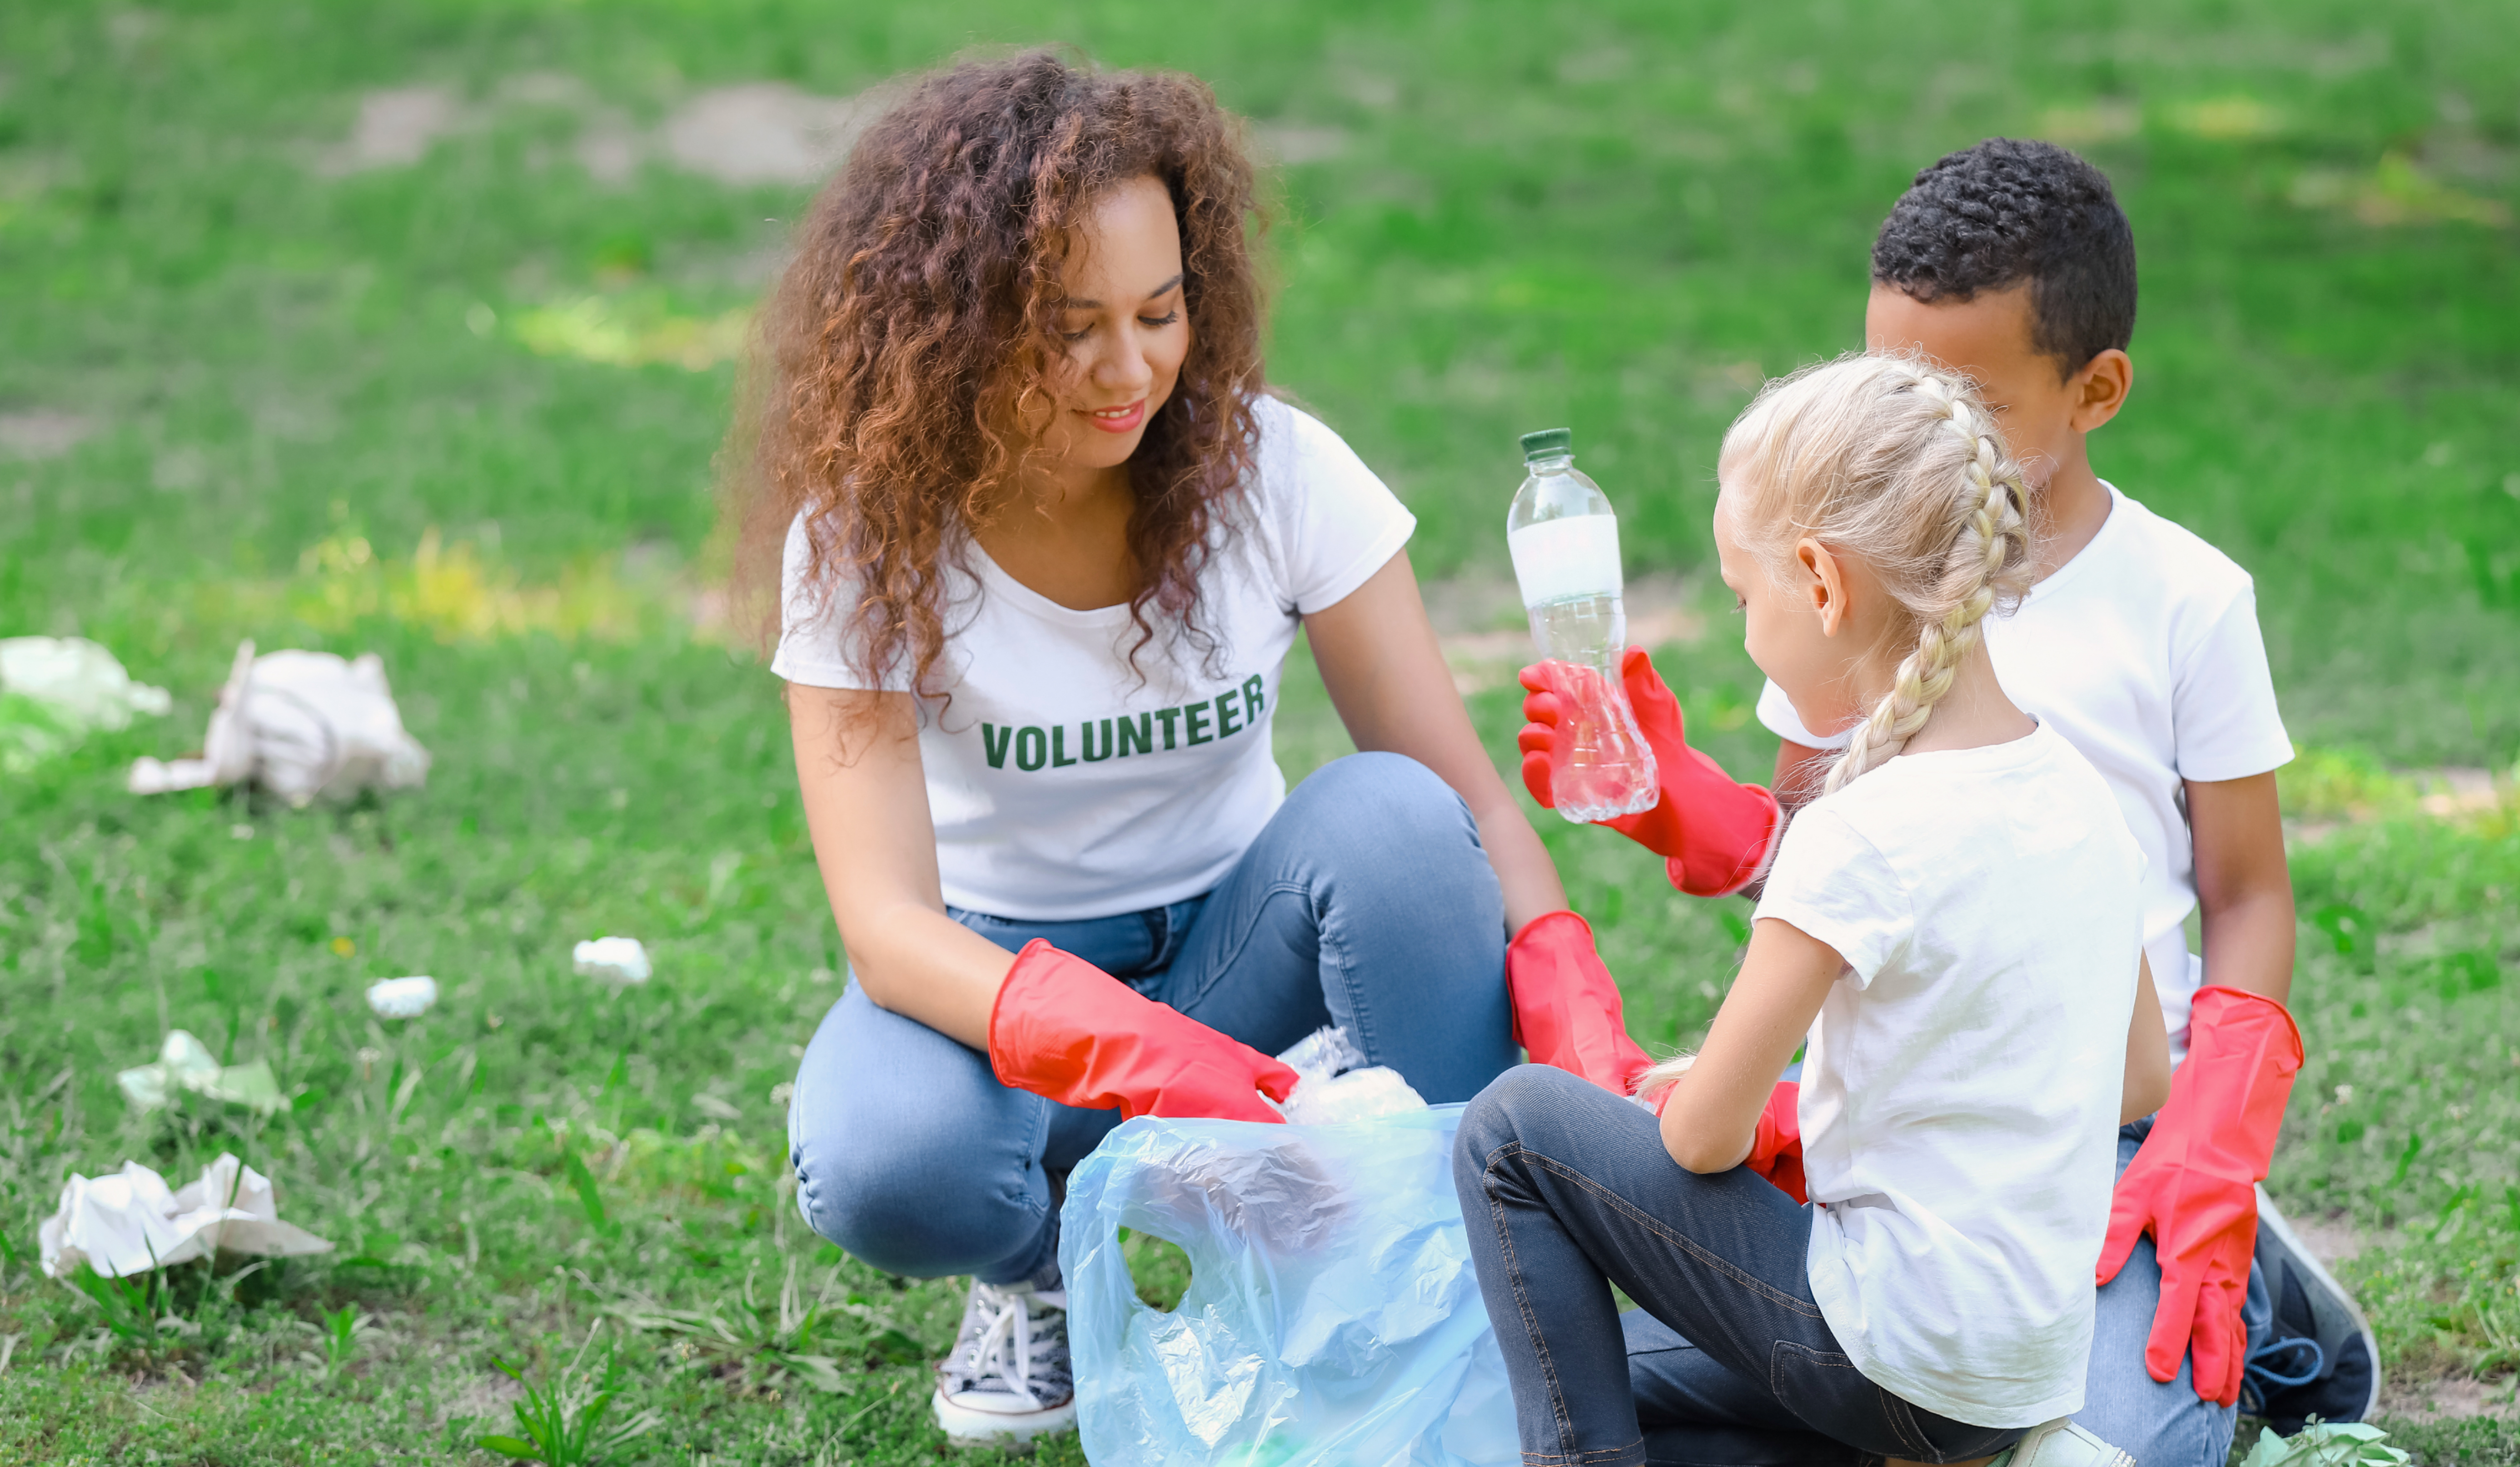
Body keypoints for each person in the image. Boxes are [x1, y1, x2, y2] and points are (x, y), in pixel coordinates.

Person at [732, 53, 1637, 1448]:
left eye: (1160, 313)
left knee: (1394, 821)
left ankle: (1447, 1239)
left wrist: (1564, 974)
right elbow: (888, 929)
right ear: (954, 325)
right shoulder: (862, 539)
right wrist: (1147, 1063)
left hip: (1243, 951)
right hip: (1000, 993)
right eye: (1068, 327)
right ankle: (1036, 1270)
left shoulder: (1271, 469)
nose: (1130, 368)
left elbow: (1454, 792)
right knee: (886, 1161)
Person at [1516, 140, 2375, 1465]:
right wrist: (1693, 812)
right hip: (1912, 1086)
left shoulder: (2183, 598)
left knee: (2122, 1438)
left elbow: (2247, 895)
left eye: (1961, 395)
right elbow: (1836, 875)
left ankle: (2256, 1278)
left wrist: (2207, 1142)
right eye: (1882, 380)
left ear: (2093, 390)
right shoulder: (1846, 590)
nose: (1910, 425)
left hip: (2109, 1106)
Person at [1459, 354, 2168, 1467]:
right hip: (2014, 1375)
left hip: (1886, 1348)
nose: (1744, 629)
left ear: (1823, 584)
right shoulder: (2082, 797)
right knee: (1626, 1385)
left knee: (1513, 1129)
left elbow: (1702, 1142)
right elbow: (2139, 1081)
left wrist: (1714, 1099)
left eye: (1745, 598)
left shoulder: (1859, 834)